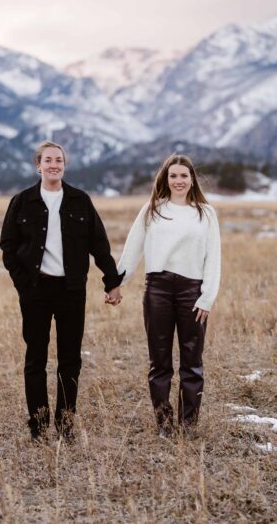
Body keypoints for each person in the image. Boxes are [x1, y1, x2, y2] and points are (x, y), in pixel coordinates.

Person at [0, 140, 124, 441]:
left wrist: (112, 282)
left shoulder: (80, 200)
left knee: (70, 359)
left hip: (71, 290)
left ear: (64, 165)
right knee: (36, 358)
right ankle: (39, 425)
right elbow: (8, 246)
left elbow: (99, 245)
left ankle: (66, 422)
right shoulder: (22, 201)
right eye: (48, 160)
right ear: (38, 165)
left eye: (59, 160)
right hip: (36, 290)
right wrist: (22, 283)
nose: (54, 164)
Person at [112, 153, 222, 436]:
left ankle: (188, 424)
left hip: (192, 292)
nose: (179, 181)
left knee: (192, 362)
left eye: (184, 175)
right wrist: (116, 284)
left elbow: (214, 258)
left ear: (192, 179)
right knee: (159, 362)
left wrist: (207, 297)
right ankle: (164, 423)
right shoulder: (152, 210)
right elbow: (133, 249)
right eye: (173, 175)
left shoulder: (205, 213)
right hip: (157, 289)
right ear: (165, 179)